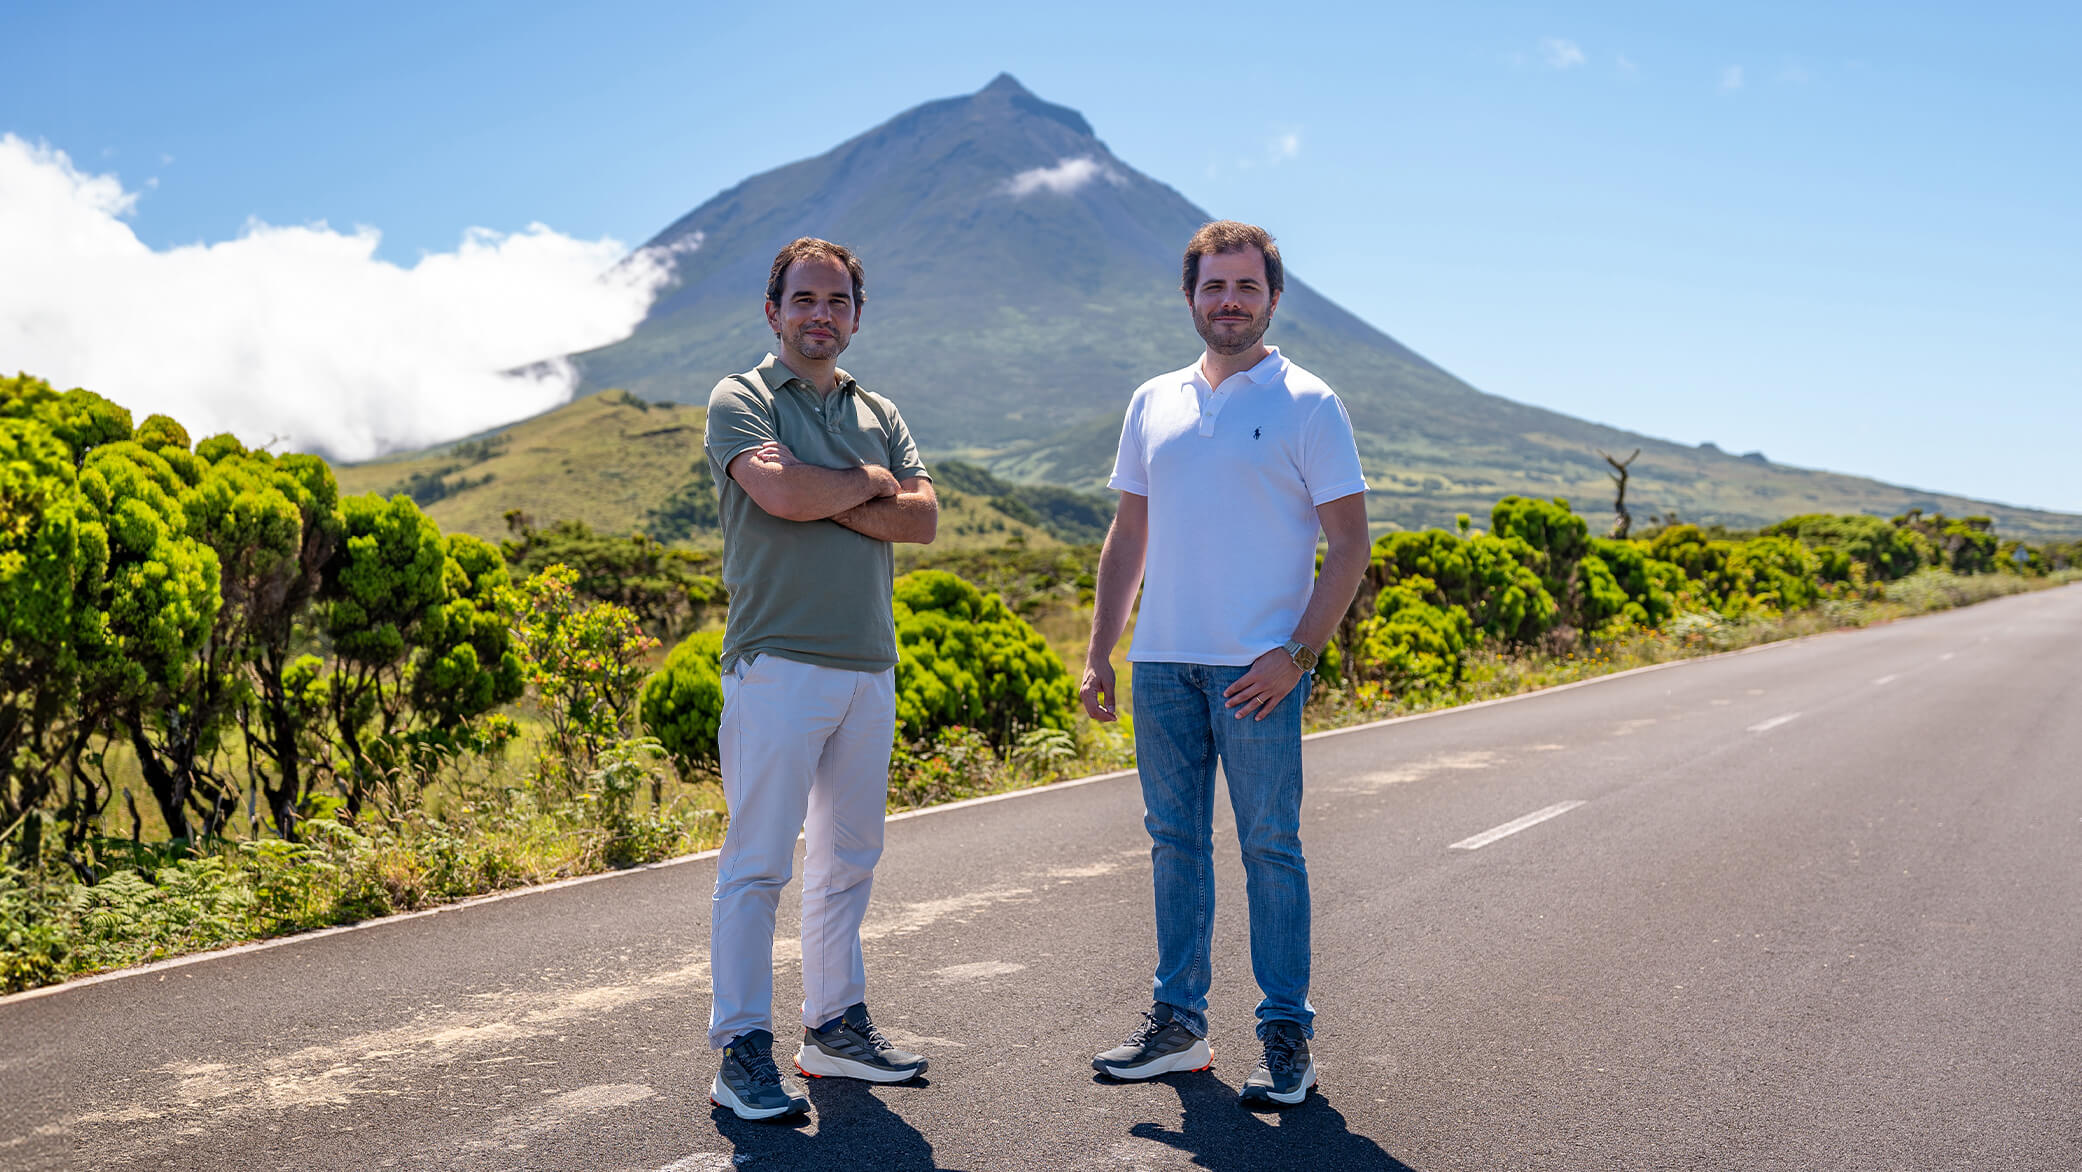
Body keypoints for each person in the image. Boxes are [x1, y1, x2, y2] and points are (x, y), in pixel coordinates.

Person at [1080, 220, 1372, 1108]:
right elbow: (1127, 533)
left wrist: (1296, 654)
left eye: (1247, 287)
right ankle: (1178, 1026)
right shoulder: (1152, 401)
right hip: (1161, 664)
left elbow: (1351, 545)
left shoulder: (1309, 402)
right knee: (1175, 847)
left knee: (1269, 848)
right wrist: (1100, 652)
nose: (1230, 302)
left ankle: (1286, 1035)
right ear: (1191, 297)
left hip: (1258, 674)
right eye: (1214, 287)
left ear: (1273, 298)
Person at [701, 237, 938, 1120]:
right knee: (757, 865)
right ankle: (740, 1048)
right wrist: (866, 486)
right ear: (774, 310)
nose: (821, 315)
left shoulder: (879, 407)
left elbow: (922, 520)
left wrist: (834, 488)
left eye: (837, 302)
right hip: (776, 663)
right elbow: (782, 496)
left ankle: (834, 1030)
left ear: (856, 314)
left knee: (848, 860)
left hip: (867, 667)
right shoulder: (743, 397)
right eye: (804, 299)